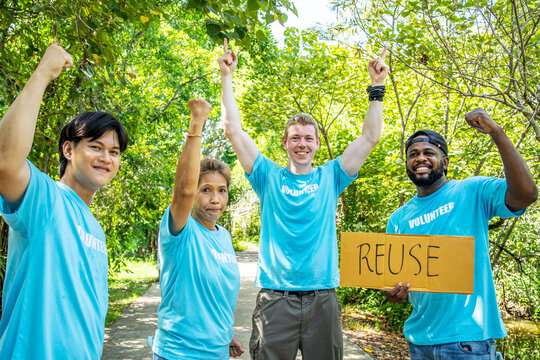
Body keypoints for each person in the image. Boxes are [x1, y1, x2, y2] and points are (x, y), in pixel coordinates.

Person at [218, 38, 389, 359]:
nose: (302, 143)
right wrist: (227, 78)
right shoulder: (267, 176)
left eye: (308, 138)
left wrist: (376, 87)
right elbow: (234, 131)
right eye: (295, 137)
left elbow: (371, 137)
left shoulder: (331, 176)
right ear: (285, 143)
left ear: (315, 144)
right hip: (275, 300)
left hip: (322, 299)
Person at [0, 44, 129, 358]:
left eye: (114, 152)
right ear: (69, 151)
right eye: (96, 147)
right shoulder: (46, 200)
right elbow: (5, 160)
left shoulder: (95, 229)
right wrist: (44, 72)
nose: (106, 158)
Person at [384, 109, 538, 360]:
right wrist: (392, 293)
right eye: (413, 154)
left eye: (428, 153)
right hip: (419, 340)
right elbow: (395, 282)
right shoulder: (398, 219)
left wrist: (497, 133)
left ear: (444, 162)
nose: (420, 158)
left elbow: (526, 195)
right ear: (407, 164)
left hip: (467, 341)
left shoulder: (473, 190)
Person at [152, 98, 244, 360]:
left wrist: (224, 336)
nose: (215, 199)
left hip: (216, 353)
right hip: (178, 354)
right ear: (193, 193)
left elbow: (214, 299)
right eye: (205, 190)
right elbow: (181, 191)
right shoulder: (181, 230)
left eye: (221, 191)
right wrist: (196, 124)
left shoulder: (224, 236)